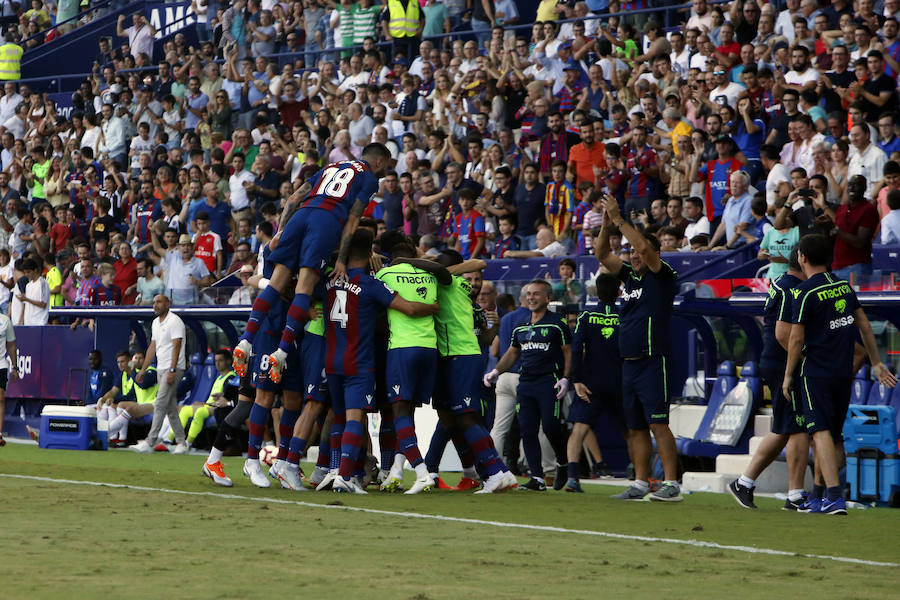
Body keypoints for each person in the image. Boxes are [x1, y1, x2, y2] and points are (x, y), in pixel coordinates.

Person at [234, 143, 392, 382]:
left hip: (301, 215)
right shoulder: (369, 178)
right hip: (326, 221)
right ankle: (282, 352)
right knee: (304, 288)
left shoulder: (332, 166)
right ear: (379, 161)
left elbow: (294, 197)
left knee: (276, 283)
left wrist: (282, 231)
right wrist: (340, 259)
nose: (384, 172)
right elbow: (352, 219)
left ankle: (245, 340)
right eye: (385, 167)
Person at [783, 234, 896, 514]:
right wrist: (876, 362)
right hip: (843, 373)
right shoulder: (843, 287)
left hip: (816, 372)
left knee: (819, 432)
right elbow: (864, 324)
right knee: (831, 436)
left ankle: (834, 497)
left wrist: (788, 375)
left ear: (802, 258)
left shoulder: (806, 292)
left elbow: (796, 340)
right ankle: (821, 494)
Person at [324, 229, 439, 494]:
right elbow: (409, 308)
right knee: (355, 419)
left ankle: (343, 473)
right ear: (370, 254)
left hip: (332, 358)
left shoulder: (329, 279)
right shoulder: (370, 283)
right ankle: (344, 475)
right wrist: (431, 307)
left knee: (339, 418)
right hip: (358, 360)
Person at [595, 194, 683, 502]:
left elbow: (645, 247)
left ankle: (672, 484)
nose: (634, 255)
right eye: (630, 251)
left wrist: (620, 219)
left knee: (658, 423)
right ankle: (642, 482)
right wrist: (607, 226)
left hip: (651, 360)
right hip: (628, 362)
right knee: (635, 428)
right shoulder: (630, 278)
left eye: (637, 251)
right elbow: (601, 253)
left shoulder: (662, 276)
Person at [728, 248, 809, 510]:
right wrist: (803, 358)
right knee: (792, 427)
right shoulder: (791, 288)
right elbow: (783, 335)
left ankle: (749, 483)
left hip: (777, 362)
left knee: (789, 427)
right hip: (783, 363)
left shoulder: (783, 284)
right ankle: (790, 493)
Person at [485, 279, 571, 492]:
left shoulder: (557, 323)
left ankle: (562, 463)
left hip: (548, 382)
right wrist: (496, 371)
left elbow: (569, 352)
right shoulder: (521, 326)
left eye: (537, 294)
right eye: (529, 294)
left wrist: (566, 378)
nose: (532, 297)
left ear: (548, 298)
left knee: (550, 427)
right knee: (527, 430)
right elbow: (512, 353)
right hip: (526, 383)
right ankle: (537, 478)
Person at [564, 272, 623, 493]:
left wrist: (576, 380)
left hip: (591, 382)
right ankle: (642, 477)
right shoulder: (625, 315)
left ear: (596, 292)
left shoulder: (585, 316)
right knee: (632, 431)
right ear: (619, 292)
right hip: (620, 381)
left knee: (579, 428)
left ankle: (572, 478)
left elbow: (576, 349)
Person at [129, 295, 190, 455]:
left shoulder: (175, 321)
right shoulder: (156, 323)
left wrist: (172, 369)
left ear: (168, 304)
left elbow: (176, 346)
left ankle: (151, 440)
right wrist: (143, 370)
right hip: (161, 368)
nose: (155, 305)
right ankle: (182, 443)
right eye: (154, 302)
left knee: (160, 403)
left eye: (159, 302)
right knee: (170, 408)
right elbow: (153, 347)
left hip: (173, 368)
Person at [101, 350, 159, 447]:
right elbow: (113, 391)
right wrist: (102, 400)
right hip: (141, 404)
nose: (137, 361)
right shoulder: (134, 372)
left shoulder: (151, 371)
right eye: (136, 358)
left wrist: (132, 370)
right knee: (115, 405)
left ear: (146, 360)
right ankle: (116, 438)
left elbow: (143, 385)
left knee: (123, 406)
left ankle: (107, 433)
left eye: (140, 358)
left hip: (153, 404)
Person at [0, 308, 18, 446]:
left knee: (0, 397)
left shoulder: (5, 321)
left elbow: (11, 345)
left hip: (1, 364)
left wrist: (15, 367)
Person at [18, 258, 49, 325]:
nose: (26, 274)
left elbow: (43, 304)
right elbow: (26, 305)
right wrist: (21, 321)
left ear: (35, 270)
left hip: (39, 322)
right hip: (28, 322)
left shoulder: (42, 283)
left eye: (28, 272)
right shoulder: (28, 285)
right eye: (25, 272)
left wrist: (27, 299)